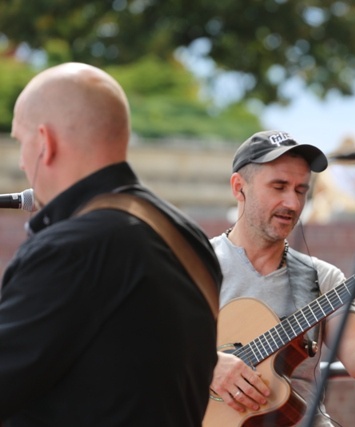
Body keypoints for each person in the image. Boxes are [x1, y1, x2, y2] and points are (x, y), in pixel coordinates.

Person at [1, 62, 221, 426]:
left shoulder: (73, 248)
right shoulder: (186, 234)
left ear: (45, 143)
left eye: (20, 141)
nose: (23, 163)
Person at [208, 130, 355, 426]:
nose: (292, 203)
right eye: (279, 186)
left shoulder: (321, 277)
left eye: (300, 190)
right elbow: (143, 345)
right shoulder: (196, 263)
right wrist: (208, 364)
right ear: (238, 187)